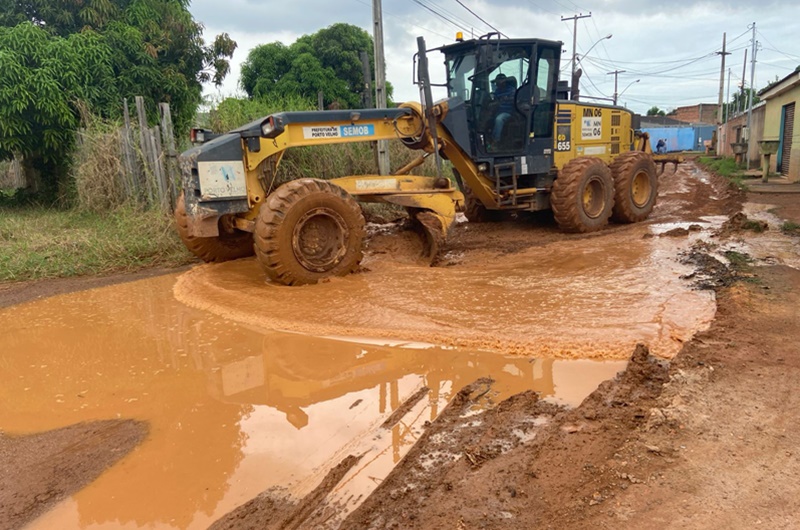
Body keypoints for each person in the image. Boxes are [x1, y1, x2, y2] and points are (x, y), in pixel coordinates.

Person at [491, 73, 515, 145]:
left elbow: (515, 100)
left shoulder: (511, 90)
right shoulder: (497, 91)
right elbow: (496, 101)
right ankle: (490, 139)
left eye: (499, 82)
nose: (497, 84)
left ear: (504, 82)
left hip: (508, 112)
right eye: (497, 82)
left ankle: (496, 141)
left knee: (499, 119)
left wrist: (507, 99)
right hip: (498, 111)